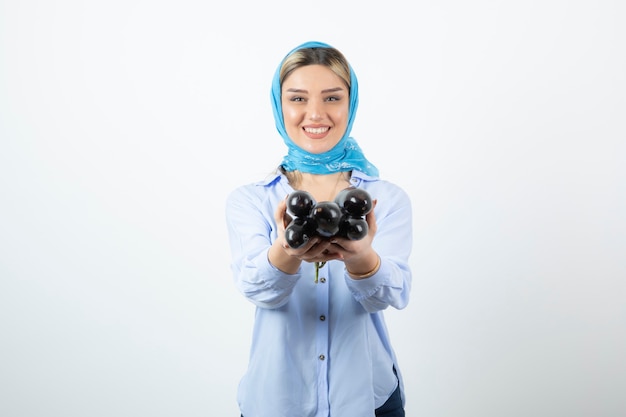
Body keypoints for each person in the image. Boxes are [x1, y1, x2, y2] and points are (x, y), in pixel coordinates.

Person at [225, 40, 413, 417]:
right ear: (280, 106)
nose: (315, 113)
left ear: (351, 103)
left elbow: (386, 296)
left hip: (367, 398)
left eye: (331, 98)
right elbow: (258, 291)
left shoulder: (384, 199)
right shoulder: (250, 200)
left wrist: (362, 258)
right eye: (297, 99)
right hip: (277, 400)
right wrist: (287, 253)